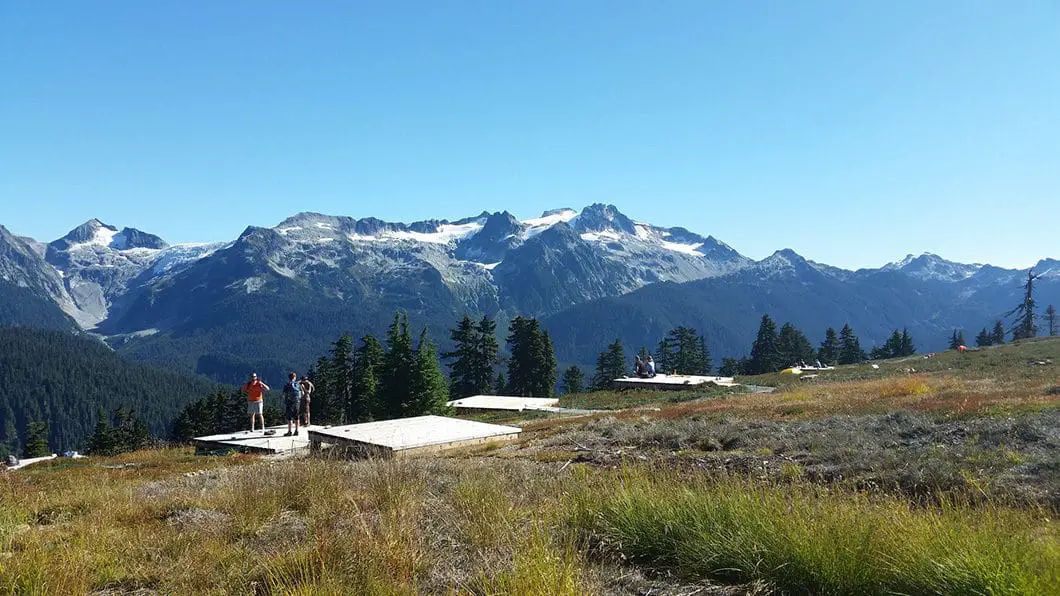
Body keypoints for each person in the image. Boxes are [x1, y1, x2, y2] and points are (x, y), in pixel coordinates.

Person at [282, 372, 302, 437]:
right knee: (296, 417)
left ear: (289, 377)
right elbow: (302, 393)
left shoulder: (287, 385)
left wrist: (284, 400)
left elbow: (283, 395)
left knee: (289, 418)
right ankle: (297, 431)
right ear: (295, 377)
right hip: (297, 403)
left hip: (289, 403)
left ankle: (289, 431)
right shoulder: (298, 385)